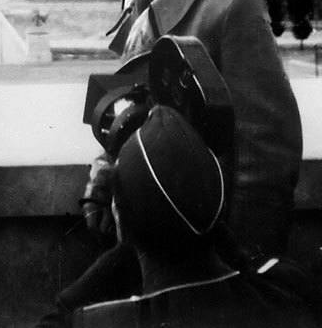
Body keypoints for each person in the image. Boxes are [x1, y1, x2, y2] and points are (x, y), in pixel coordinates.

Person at [49, 0, 302, 322]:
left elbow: (267, 150)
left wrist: (245, 261)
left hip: (207, 254)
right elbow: (130, 110)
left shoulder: (232, 6)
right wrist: (104, 180)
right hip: (148, 236)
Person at [74, 105, 318, 328]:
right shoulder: (289, 293)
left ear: (120, 219)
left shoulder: (97, 321)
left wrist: (128, 237)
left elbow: (60, 314)